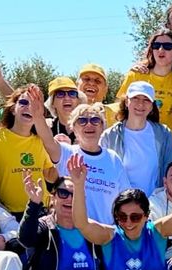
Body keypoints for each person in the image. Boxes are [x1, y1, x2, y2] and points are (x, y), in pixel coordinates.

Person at [30, 88, 130, 224]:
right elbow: (47, 139)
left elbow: (124, 199)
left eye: (95, 120)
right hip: (71, 231)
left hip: (104, 232)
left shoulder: (113, 159)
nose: (89, 124)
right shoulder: (66, 152)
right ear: (73, 128)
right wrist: (38, 117)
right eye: (82, 121)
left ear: (102, 127)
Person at [0, 87, 55, 215]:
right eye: (23, 102)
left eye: (34, 104)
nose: (29, 107)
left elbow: (50, 176)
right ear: (13, 109)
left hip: (43, 209)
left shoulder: (41, 140)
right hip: (9, 214)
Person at [118, 29, 172, 156]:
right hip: (137, 147)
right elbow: (119, 110)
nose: (161, 50)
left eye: (167, 46)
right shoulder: (135, 75)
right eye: (156, 46)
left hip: (171, 148)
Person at [101, 82, 172, 195]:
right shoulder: (109, 136)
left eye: (146, 100)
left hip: (154, 202)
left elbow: (169, 171)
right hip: (119, 201)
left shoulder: (164, 134)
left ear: (152, 106)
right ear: (127, 102)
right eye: (135, 98)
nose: (140, 104)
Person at [43, 77, 85, 141]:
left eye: (72, 93)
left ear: (78, 101)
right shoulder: (46, 129)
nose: (67, 98)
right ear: (52, 103)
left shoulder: (90, 124)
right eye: (60, 94)